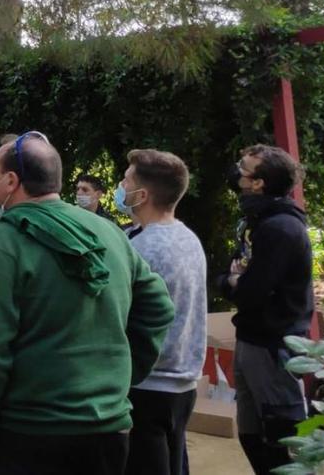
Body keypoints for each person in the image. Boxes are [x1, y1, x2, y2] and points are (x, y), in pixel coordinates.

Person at [0, 131, 175, 475]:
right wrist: (121, 375)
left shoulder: (3, 245)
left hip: (29, 431)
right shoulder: (109, 234)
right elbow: (159, 308)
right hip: (108, 427)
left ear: (11, 181)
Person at [216, 145, 313, 475]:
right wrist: (233, 280)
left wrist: (231, 282)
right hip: (251, 340)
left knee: (281, 435)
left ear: (258, 183)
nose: (237, 172)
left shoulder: (280, 228)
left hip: (272, 346)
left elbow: (251, 292)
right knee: (251, 434)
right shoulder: (258, 221)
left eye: (243, 168)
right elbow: (237, 276)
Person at [117, 150, 207, 475]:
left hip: (147, 385)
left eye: (126, 180)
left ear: (141, 195)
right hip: (182, 383)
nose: (120, 186)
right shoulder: (188, 238)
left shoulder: (142, 248)